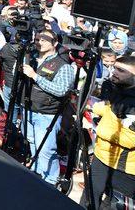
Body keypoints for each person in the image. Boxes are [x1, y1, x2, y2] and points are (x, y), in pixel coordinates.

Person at [21, 30, 76, 185]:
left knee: (46, 150)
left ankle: (51, 181)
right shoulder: (31, 58)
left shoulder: (63, 66)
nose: (40, 42)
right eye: (38, 39)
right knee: (31, 141)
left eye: (45, 40)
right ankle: (38, 172)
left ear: (55, 43)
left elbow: (61, 90)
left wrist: (35, 76)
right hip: (28, 108)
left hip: (47, 114)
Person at [87, 55, 135, 208]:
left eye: (121, 70)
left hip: (125, 168)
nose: (114, 72)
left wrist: (99, 129)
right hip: (101, 157)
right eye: (114, 68)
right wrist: (91, 106)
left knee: (113, 205)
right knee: (89, 199)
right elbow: (108, 108)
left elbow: (130, 139)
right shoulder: (117, 89)